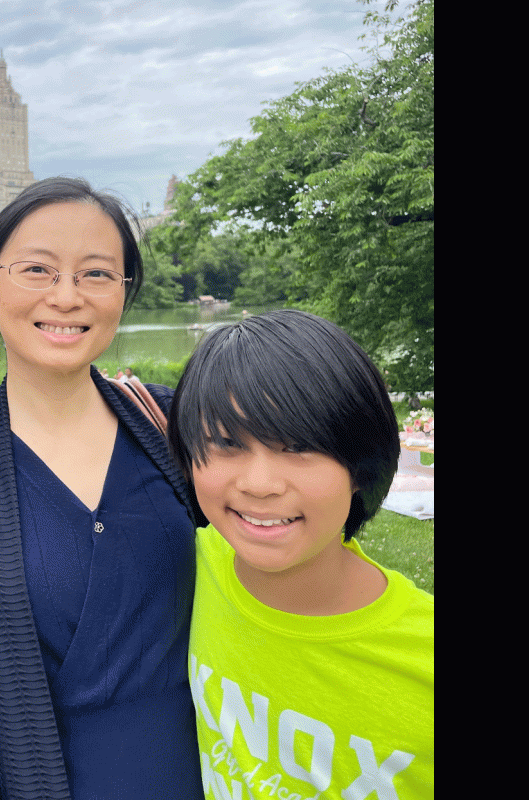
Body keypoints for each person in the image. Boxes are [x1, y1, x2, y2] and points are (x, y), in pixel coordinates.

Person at [0, 177, 205, 799]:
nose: (67, 297)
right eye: (37, 269)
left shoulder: (177, 431)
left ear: (124, 291)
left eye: (96, 274)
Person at [166, 310, 433, 799]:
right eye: (226, 443)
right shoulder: (192, 564)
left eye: (299, 446)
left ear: (360, 465)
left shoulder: (422, 659)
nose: (260, 485)